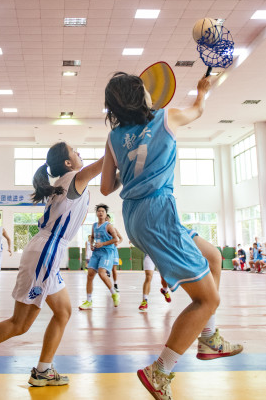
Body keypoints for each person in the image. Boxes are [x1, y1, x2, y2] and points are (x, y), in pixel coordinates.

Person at [100, 73, 242, 399]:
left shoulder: (114, 136)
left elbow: (107, 187)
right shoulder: (167, 117)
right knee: (208, 299)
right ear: (143, 97)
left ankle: (208, 337)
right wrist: (203, 91)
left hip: (136, 216)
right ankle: (160, 370)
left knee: (214, 256)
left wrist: (129, 166)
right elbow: (197, 110)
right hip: (158, 215)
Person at [0, 142, 104, 387]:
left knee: (63, 312)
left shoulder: (70, 181)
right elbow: (104, 163)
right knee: (20, 324)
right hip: (46, 253)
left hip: (47, 251)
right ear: (68, 163)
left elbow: (111, 175)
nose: (80, 153)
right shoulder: (74, 178)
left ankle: (43, 370)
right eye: (75, 151)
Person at [78, 204, 120, 310]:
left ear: (106, 214)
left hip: (107, 252)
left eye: (102, 211)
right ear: (96, 213)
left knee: (102, 273)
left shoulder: (108, 226)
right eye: (99, 211)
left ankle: (114, 293)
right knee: (90, 275)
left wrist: (103, 244)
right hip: (96, 252)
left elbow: (116, 239)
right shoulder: (94, 225)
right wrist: (92, 244)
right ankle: (88, 301)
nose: (100, 212)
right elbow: (92, 237)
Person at [106, 214, 123, 292]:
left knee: (114, 269)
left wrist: (118, 243)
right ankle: (109, 283)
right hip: (106, 251)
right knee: (106, 269)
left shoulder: (114, 229)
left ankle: (115, 285)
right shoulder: (102, 230)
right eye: (105, 219)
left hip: (113, 250)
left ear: (109, 220)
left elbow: (121, 238)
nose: (106, 220)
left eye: (107, 219)